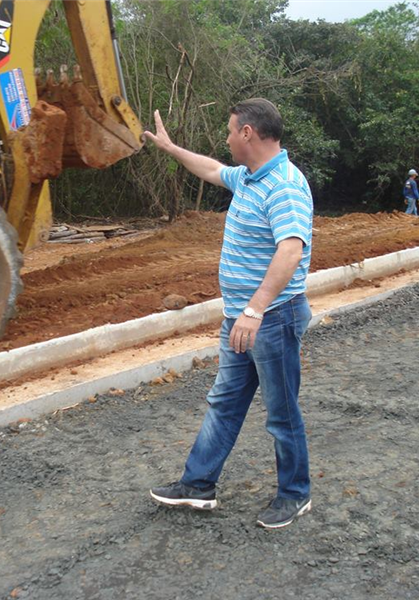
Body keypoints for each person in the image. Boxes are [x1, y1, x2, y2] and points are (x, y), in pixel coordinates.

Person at [144, 99, 314, 529]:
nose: (224, 138)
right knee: (225, 401)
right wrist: (170, 148)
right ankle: (198, 485)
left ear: (247, 134)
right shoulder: (250, 178)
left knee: (281, 412)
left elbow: (290, 250)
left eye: (228, 130)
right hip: (242, 319)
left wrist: (255, 310)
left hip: (272, 318)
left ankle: (295, 494)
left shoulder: (286, 186)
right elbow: (209, 168)